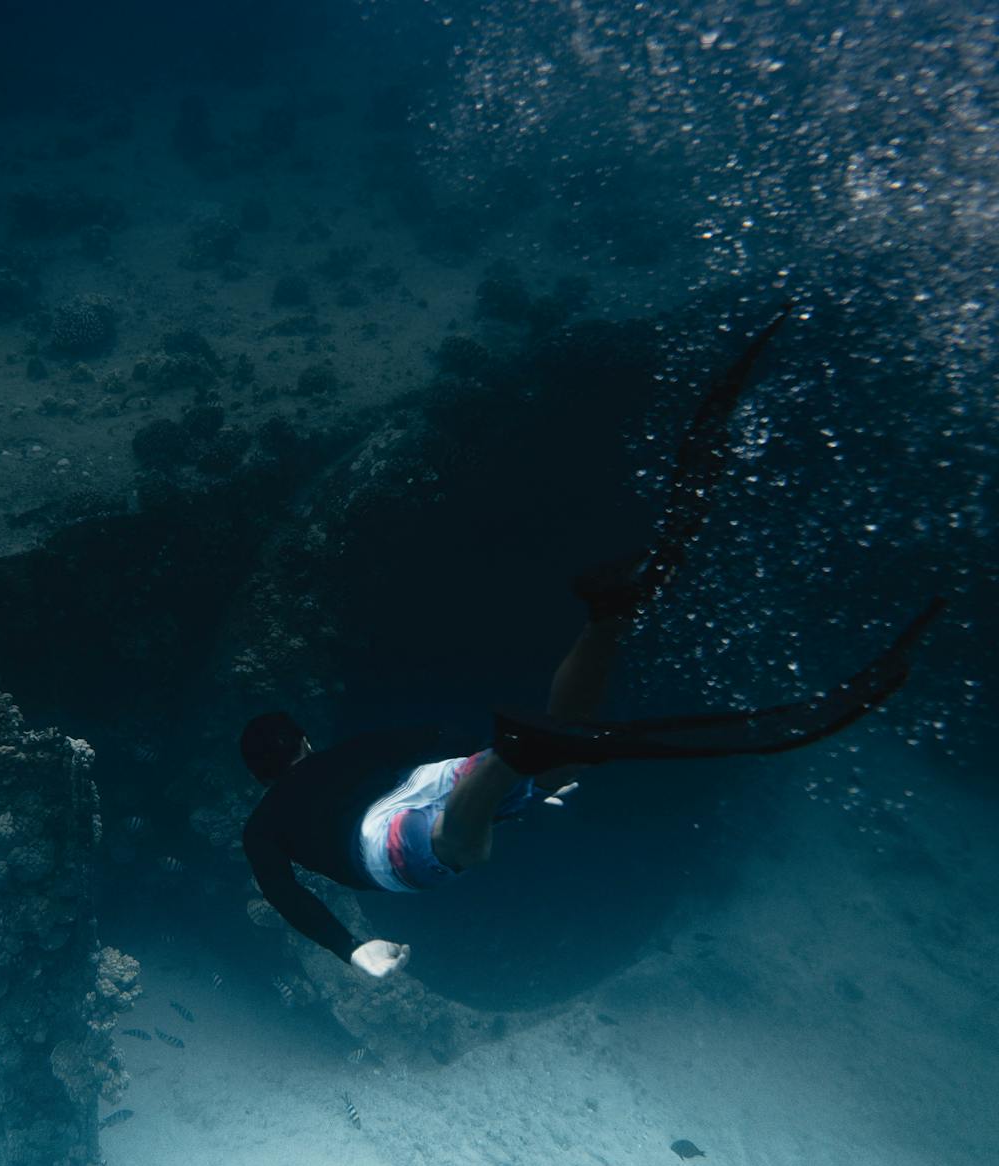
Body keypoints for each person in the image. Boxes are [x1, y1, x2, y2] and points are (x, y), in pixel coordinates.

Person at [238, 304, 944, 978]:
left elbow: (285, 893)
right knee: (565, 753)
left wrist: (349, 950)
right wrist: (505, 769)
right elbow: (423, 736)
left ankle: (518, 756)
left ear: (263, 775)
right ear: (299, 743)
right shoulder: (342, 753)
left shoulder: (264, 825)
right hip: (423, 778)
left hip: (378, 844)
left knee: (462, 850)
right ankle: (602, 620)